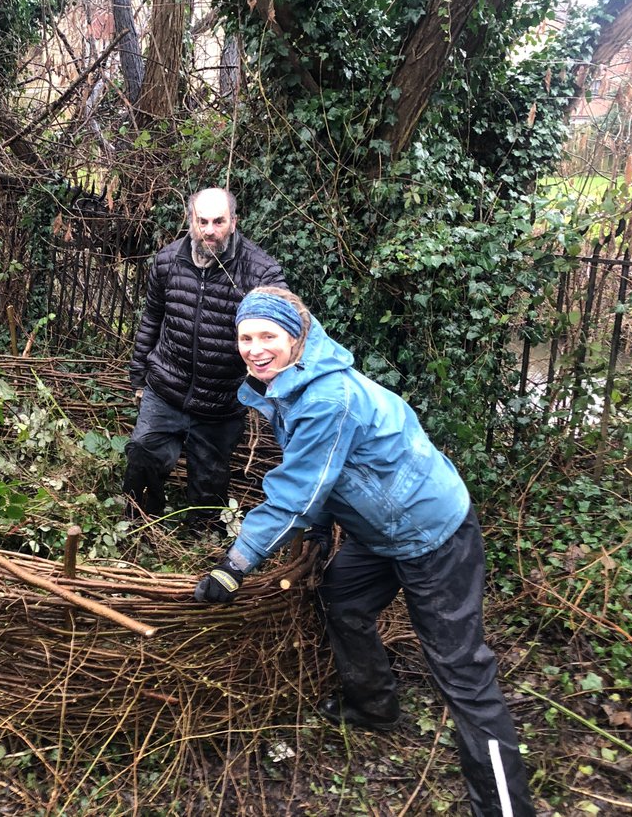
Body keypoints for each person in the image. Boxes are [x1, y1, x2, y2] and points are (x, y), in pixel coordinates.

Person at [193, 286, 534, 817]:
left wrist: (235, 565)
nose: (255, 348)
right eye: (245, 337)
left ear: (298, 338)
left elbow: (298, 490)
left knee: (462, 672)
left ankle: (505, 808)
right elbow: (329, 473)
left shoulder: (328, 396)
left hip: (432, 533)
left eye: (268, 336)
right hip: (381, 533)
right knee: (342, 599)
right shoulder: (293, 385)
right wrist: (322, 529)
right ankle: (375, 706)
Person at [124, 187, 286, 534]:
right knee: (142, 454)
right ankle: (140, 526)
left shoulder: (261, 272)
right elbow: (151, 319)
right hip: (166, 387)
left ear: (233, 222)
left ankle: (199, 540)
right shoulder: (167, 261)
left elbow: (282, 331)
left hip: (221, 401)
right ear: (190, 221)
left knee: (209, 488)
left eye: (218, 221)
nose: (209, 230)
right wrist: (139, 376)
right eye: (202, 221)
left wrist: (260, 385)